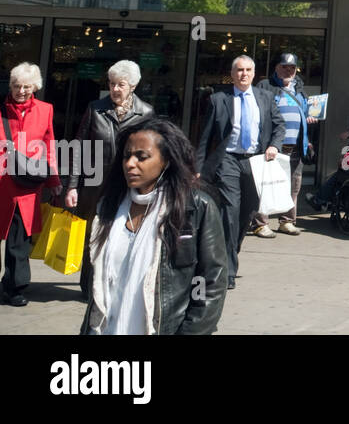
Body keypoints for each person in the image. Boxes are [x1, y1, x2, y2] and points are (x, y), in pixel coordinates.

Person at [82, 119, 226, 334]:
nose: (130, 163)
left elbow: (209, 282)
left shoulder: (196, 208)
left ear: (166, 161)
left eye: (142, 157)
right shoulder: (108, 207)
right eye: (126, 156)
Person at [65, 60, 155, 300]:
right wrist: (72, 186)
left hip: (128, 186)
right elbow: (78, 148)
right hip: (94, 185)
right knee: (93, 235)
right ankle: (88, 286)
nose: (115, 89)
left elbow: (152, 154)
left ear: (133, 85)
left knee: (124, 234)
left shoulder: (145, 112)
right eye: (112, 83)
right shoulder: (96, 108)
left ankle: (116, 284)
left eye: (121, 84)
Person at [195, 55, 285, 290]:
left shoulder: (266, 98)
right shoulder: (218, 99)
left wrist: (274, 145)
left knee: (247, 213)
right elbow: (205, 137)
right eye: (239, 70)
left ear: (254, 73)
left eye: (248, 70)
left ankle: (231, 251)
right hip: (228, 161)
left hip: (256, 162)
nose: (243, 74)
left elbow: (279, 125)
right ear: (232, 74)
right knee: (230, 212)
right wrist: (198, 168)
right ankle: (228, 271)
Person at [1, 63, 60, 307]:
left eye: (26, 86)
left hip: (26, 184)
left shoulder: (45, 110)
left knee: (18, 241)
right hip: (1, 181)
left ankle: (14, 288)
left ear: (35, 87)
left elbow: (49, 145)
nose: (21, 91)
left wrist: (54, 179)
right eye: (16, 86)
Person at [251, 52, 315, 237]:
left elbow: (303, 113)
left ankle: (287, 221)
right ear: (276, 67)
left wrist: (308, 123)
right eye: (284, 66)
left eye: (292, 68)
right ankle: (260, 223)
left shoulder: (300, 90)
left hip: (296, 146)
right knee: (266, 184)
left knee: (293, 186)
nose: (288, 70)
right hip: (272, 145)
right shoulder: (265, 86)